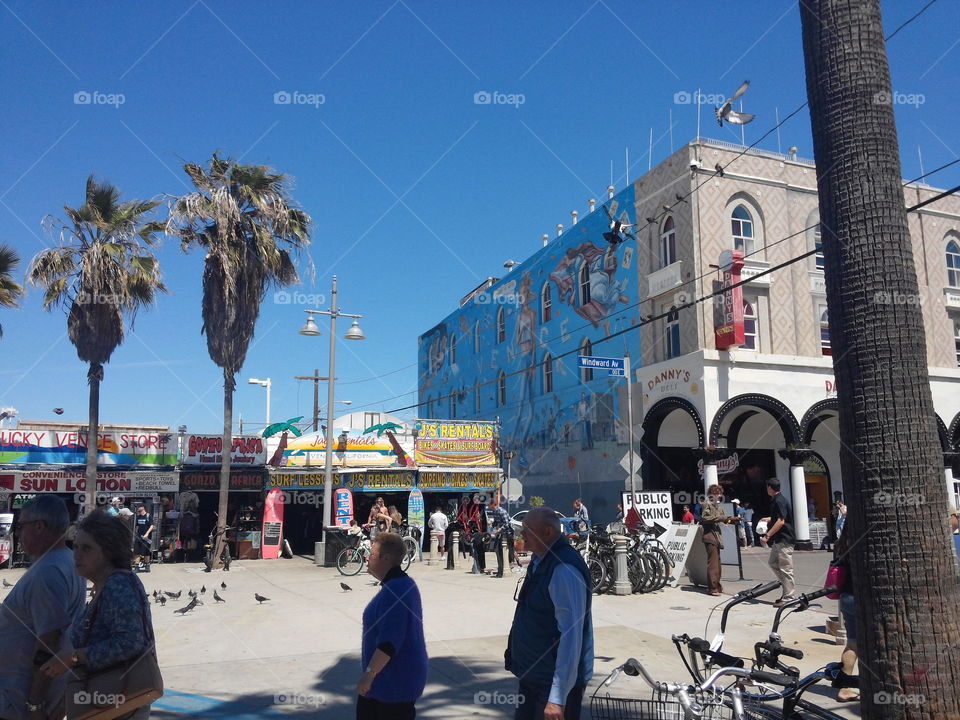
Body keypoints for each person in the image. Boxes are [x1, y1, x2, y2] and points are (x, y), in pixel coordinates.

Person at [39, 510, 158, 720]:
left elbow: (131, 642)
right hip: (106, 702)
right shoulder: (106, 586)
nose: (77, 555)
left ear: (109, 551)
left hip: (118, 705)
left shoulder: (118, 584)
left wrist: (74, 657)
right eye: (75, 547)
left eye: (86, 548)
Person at [0, 496, 86, 720]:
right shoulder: (67, 560)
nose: (17, 533)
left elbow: (49, 641)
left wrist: (34, 705)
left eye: (21, 526)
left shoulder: (48, 572)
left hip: (18, 701)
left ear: (39, 526)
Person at [506, 508, 593, 720]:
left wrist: (557, 697)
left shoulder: (563, 568)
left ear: (547, 533)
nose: (522, 535)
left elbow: (571, 636)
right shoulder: (540, 559)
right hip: (533, 676)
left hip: (550, 684)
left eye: (527, 530)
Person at [356, 532, 427, 719]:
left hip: (391, 687)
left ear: (386, 558)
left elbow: (389, 643)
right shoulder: (400, 585)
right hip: (388, 684)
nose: (367, 557)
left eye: (371, 554)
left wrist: (368, 675)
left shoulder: (397, 590)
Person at [830, 527, 859, 702]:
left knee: (853, 643)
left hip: (847, 596)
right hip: (863, 598)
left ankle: (844, 687)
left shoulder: (841, 542)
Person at [759, 478, 796, 605]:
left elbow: (781, 521)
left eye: (767, 487)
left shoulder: (779, 501)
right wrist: (769, 519)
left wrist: (767, 535)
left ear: (770, 487)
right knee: (773, 563)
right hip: (779, 539)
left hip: (785, 538)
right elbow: (780, 517)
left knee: (786, 568)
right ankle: (787, 590)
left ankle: (789, 597)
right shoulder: (778, 500)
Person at [699, 485, 740, 596]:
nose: (720, 495)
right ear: (712, 494)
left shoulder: (717, 507)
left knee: (717, 563)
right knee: (713, 564)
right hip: (709, 536)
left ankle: (716, 586)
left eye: (720, 493)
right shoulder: (706, 504)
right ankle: (712, 588)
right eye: (717, 493)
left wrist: (733, 520)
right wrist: (725, 518)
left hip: (716, 537)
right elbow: (706, 519)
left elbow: (724, 519)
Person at [488, 498, 519, 578]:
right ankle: (500, 570)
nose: (488, 507)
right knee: (497, 550)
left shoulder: (502, 511)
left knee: (510, 550)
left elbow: (506, 524)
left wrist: (498, 531)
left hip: (508, 533)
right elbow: (496, 522)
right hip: (501, 533)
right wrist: (492, 524)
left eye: (489, 505)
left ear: (493, 505)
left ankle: (512, 566)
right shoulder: (494, 512)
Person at [133, 504, 154, 572]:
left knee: (146, 552)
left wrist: (147, 533)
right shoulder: (138, 516)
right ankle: (137, 567)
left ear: (143, 508)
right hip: (139, 537)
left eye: (139, 507)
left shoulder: (148, 516)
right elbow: (137, 526)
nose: (138, 508)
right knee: (136, 552)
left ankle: (147, 566)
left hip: (146, 538)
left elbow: (152, 525)